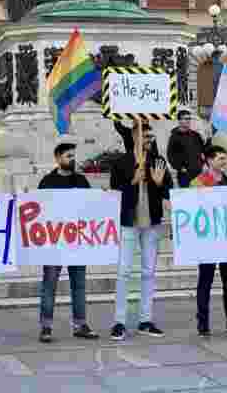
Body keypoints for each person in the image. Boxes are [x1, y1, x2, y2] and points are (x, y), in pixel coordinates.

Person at [110, 121, 171, 341]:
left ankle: (145, 319)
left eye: (150, 137)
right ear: (135, 136)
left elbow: (168, 191)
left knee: (148, 272)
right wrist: (132, 182)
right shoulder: (120, 163)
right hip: (128, 221)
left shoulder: (159, 161)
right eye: (145, 137)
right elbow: (114, 194)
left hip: (151, 222)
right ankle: (119, 322)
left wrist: (158, 183)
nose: (149, 140)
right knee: (123, 271)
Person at [36, 143, 100, 342]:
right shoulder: (47, 182)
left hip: (77, 241)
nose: (72, 159)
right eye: (68, 156)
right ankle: (46, 327)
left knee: (79, 284)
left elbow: (90, 207)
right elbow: (39, 210)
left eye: (73, 156)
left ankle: (80, 324)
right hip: (54, 242)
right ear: (57, 158)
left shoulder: (81, 180)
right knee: (50, 284)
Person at [191, 145, 227, 337]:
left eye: (225, 158)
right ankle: (203, 323)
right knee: (205, 282)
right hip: (208, 240)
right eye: (221, 158)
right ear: (209, 160)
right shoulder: (198, 182)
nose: (224, 162)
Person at [167, 109, 206, 188]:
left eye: (189, 118)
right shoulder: (174, 137)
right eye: (185, 119)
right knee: (187, 197)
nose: (188, 121)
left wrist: (202, 163)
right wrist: (180, 168)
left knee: (198, 197)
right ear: (180, 121)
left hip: (198, 173)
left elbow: (203, 150)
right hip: (185, 175)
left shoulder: (195, 135)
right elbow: (170, 155)